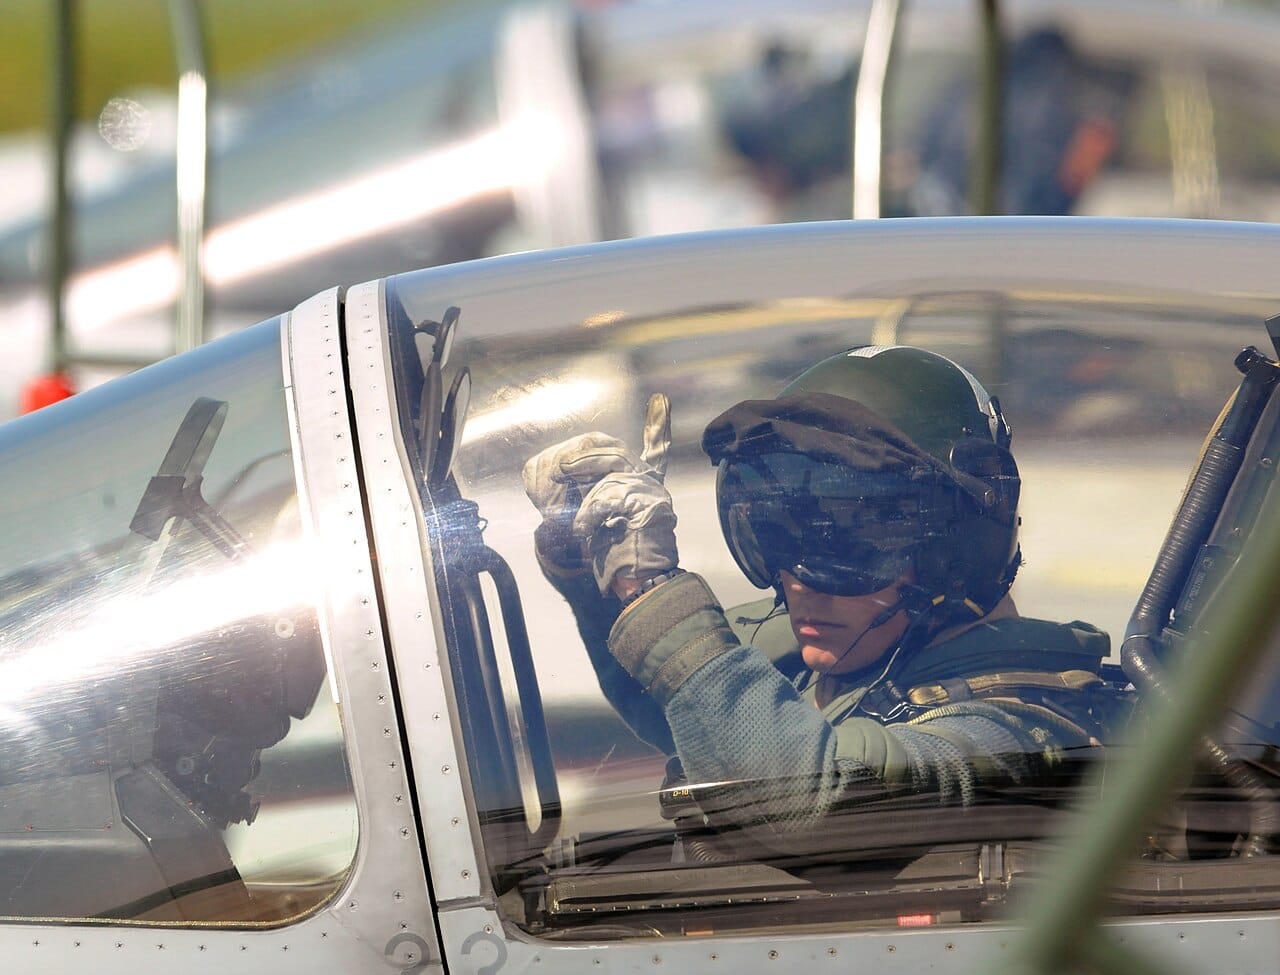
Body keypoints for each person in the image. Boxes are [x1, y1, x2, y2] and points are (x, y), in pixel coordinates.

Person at [523, 346, 1123, 857]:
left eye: (848, 549)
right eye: (777, 537)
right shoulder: (833, 649)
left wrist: (651, 588)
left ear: (954, 552)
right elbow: (677, 695)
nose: (797, 583)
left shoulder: (1025, 723)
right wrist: (589, 564)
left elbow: (811, 801)